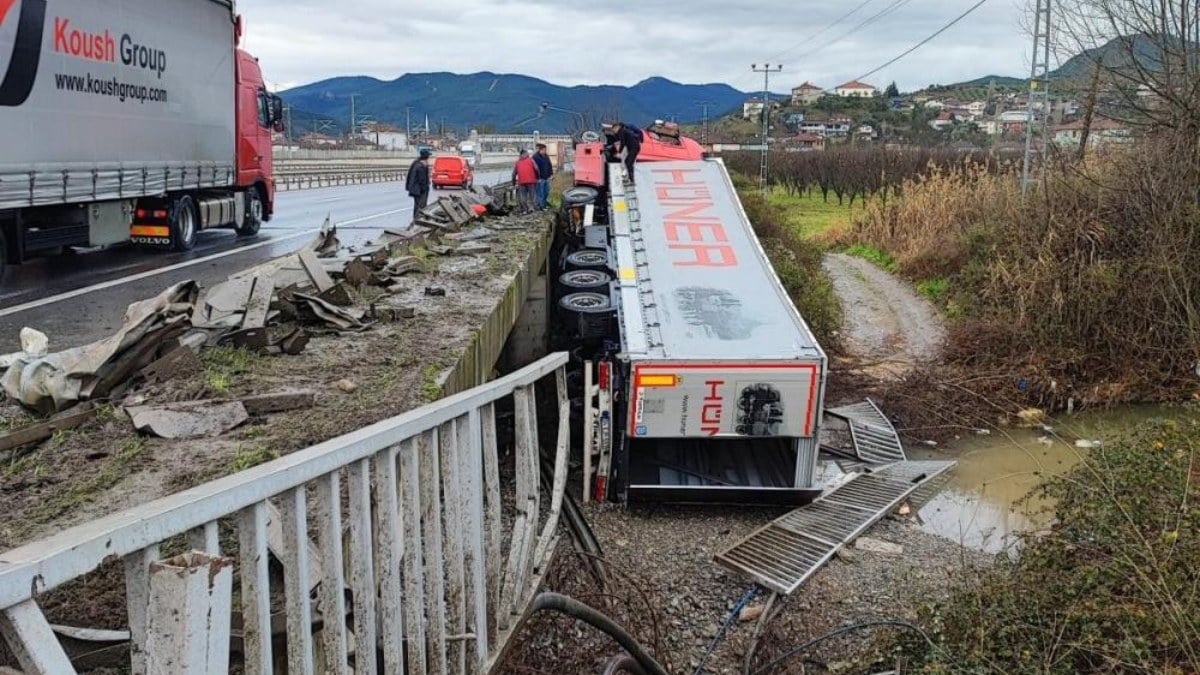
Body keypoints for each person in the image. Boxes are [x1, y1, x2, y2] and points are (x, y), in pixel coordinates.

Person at [406, 149, 431, 219]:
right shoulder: (421, 166)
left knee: (417, 206)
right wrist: (425, 189)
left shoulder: (416, 163)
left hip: (414, 189)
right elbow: (422, 180)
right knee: (421, 207)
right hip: (419, 190)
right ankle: (418, 221)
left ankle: (415, 220)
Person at [512, 149, 539, 214]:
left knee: (523, 196)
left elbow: (514, 173)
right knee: (532, 196)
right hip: (531, 181)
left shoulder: (517, 162)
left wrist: (513, 182)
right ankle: (532, 208)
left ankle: (525, 210)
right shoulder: (531, 160)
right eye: (527, 153)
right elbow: (536, 168)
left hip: (521, 182)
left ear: (520, 155)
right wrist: (538, 177)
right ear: (526, 154)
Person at [533, 143, 554, 210]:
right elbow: (534, 169)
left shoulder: (546, 156)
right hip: (540, 178)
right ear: (540, 150)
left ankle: (544, 204)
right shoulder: (535, 157)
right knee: (540, 193)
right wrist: (536, 178)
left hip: (547, 177)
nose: (545, 151)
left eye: (545, 150)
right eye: (544, 150)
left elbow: (549, 165)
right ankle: (541, 206)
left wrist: (551, 174)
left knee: (546, 192)